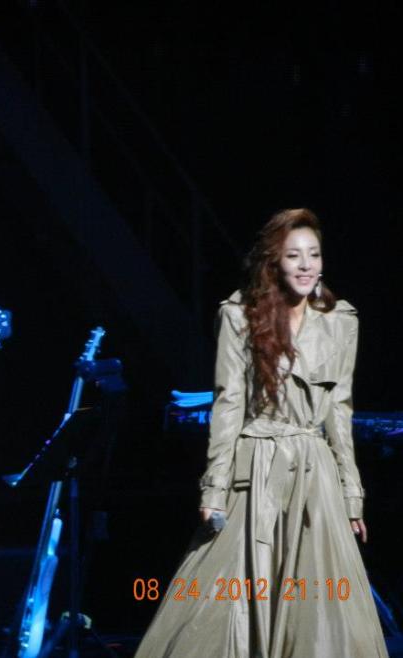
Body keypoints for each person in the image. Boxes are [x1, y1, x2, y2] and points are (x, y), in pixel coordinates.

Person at [134, 209, 388, 657]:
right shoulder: (239, 316)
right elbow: (228, 405)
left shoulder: (341, 321)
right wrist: (214, 489)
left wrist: (352, 495)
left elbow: (339, 411)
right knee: (220, 600)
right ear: (274, 262)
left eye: (314, 254)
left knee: (321, 613)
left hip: (315, 475)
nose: (306, 265)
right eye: (294, 255)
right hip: (254, 470)